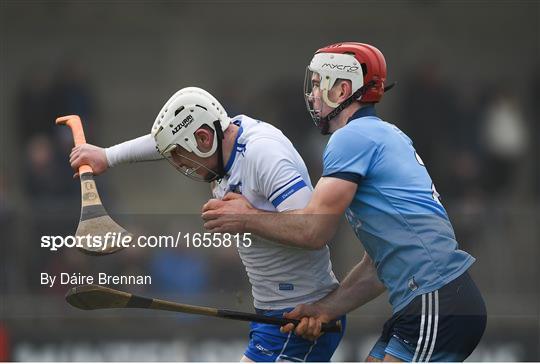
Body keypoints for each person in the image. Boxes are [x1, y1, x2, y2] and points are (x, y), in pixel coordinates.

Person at [201, 43, 487, 362]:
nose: (311, 96)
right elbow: (378, 267)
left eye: (317, 85)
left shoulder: (351, 139)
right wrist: (324, 310)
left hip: (435, 301)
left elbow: (314, 231)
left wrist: (245, 217)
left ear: (342, 89)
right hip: (434, 302)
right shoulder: (386, 134)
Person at [68, 86, 345, 362]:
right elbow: (162, 142)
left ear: (203, 138)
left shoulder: (264, 154)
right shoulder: (222, 136)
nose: (184, 168)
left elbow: (313, 230)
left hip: (304, 318)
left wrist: (248, 218)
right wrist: (107, 156)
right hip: (273, 318)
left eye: (183, 159)